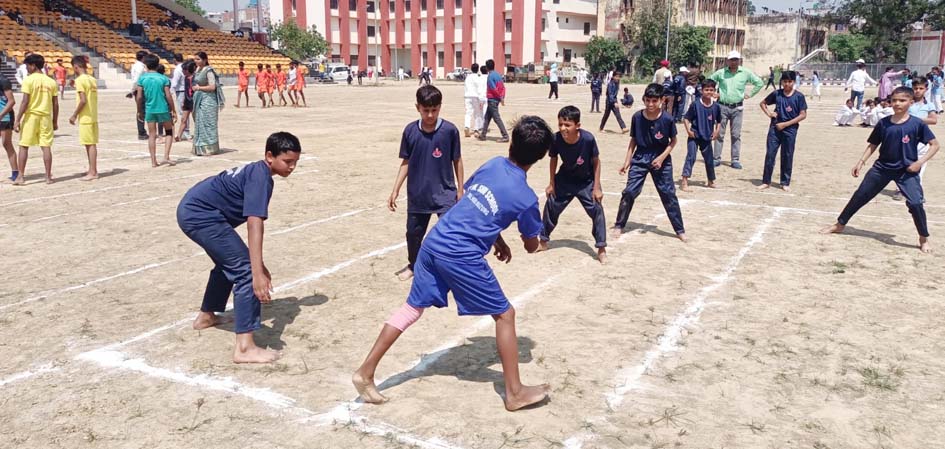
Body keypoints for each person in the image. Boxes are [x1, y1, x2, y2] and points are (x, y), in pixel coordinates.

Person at [352, 116, 554, 411]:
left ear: (511, 143)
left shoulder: (494, 164)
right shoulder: (526, 197)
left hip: (435, 241)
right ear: (541, 157)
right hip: (460, 254)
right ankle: (515, 393)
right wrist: (540, 241)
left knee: (412, 308)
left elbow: (474, 203)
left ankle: (365, 372)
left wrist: (496, 239)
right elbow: (531, 245)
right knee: (505, 315)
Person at [177, 132, 303, 363]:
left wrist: (259, 264)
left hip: (197, 211)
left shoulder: (260, 172)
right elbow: (254, 224)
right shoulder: (261, 178)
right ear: (269, 156)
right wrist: (256, 272)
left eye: (295, 161)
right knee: (245, 271)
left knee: (229, 263)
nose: (292, 167)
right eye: (287, 161)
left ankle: (206, 316)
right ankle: (244, 348)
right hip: (199, 215)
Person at [821, 87, 939, 253]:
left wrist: (920, 162)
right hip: (882, 168)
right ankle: (840, 224)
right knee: (860, 196)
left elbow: (935, 145)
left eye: (902, 100)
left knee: (916, 203)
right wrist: (861, 162)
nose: (897, 103)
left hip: (906, 171)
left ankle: (923, 237)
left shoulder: (917, 124)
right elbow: (873, 144)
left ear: (911, 102)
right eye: (894, 100)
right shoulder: (884, 123)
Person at [389, 85, 464, 281]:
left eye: (434, 110)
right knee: (413, 234)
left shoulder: (450, 131)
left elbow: (457, 160)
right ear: (418, 108)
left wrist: (460, 189)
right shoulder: (410, 131)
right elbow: (406, 162)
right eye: (426, 110)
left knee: (450, 233)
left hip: (445, 193)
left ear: (440, 107)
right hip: (418, 194)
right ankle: (414, 265)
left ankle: (450, 268)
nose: (430, 115)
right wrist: (395, 189)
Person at [613, 83, 685, 241]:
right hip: (640, 157)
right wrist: (627, 161)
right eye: (647, 100)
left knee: (668, 193)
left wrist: (661, 158)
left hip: (661, 158)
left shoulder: (667, 119)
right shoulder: (637, 117)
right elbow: (633, 140)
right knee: (629, 192)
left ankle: (679, 230)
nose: (650, 104)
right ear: (644, 99)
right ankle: (619, 225)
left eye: (654, 101)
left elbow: (673, 141)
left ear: (662, 100)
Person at [538, 105, 607, 263]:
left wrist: (596, 187)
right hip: (565, 179)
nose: (563, 128)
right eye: (560, 124)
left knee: (597, 209)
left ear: (577, 126)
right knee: (551, 205)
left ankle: (601, 248)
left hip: (586, 181)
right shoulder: (556, 139)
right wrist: (551, 183)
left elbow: (596, 162)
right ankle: (543, 241)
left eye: (567, 125)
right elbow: (553, 159)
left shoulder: (588, 139)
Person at [709, 51, 764, 169]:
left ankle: (735, 160)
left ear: (739, 60)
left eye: (736, 59)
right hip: (722, 106)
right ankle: (716, 158)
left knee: (736, 134)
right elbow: (709, 81)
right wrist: (713, 93)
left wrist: (750, 94)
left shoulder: (745, 73)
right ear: (727, 60)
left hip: (737, 108)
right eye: (731, 59)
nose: (734, 62)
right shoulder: (721, 73)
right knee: (719, 134)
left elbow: (759, 83)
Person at [12, 53, 58, 185]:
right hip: (46, 117)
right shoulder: (51, 81)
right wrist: (55, 121)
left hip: (31, 116)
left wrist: (17, 119)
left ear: (33, 66)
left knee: (24, 146)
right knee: (46, 146)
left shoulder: (29, 80)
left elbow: (25, 102)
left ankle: (21, 176)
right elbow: (55, 104)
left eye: (27, 66)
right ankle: (48, 177)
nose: (26, 68)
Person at [758, 70, 807, 192]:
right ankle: (766, 181)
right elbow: (763, 103)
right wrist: (769, 114)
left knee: (787, 155)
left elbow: (803, 115)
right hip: (775, 129)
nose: (787, 84)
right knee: (770, 154)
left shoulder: (799, 97)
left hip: (790, 130)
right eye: (785, 81)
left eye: (790, 81)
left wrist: (786, 124)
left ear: (794, 82)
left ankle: (785, 182)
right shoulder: (777, 94)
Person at [680, 79, 721, 192]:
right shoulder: (695, 104)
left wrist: (716, 131)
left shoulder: (716, 106)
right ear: (702, 90)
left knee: (709, 159)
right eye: (706, 90)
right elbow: (686, 118)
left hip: (707, 137)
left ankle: (711, 180)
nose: (709, 92)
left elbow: (719, 121)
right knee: (691, 157)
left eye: (711, 90)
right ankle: (684, 180)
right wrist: (689, 131)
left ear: (714, 91)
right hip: (694, 136)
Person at [136, 54, 176, 168]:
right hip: (163, 108)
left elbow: (139, 97)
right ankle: (166, 156)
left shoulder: (142, 79)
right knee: (169, 132)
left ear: (146, 65)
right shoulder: (163, 78)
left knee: (152, 135)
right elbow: (168, 96)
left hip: (150, 109)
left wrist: (139, 110)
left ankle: (153, 161)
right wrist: (173, 109)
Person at [68, 55, 98, 181]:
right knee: (90, 143)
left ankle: (93, 172)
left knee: (90, 145)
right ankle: (92, 169)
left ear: (76, 67)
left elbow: (83, 100)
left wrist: (74, 115)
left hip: (86, 116)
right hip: (93, 114)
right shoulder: (92, 79)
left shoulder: (80, 80)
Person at [907, 76, 938, 182]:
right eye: (915, 88)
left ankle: (917, 187)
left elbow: (933, 120)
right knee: (905, 161)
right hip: (907, 136)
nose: (918, 91)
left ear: (926, 89)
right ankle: (901, 187)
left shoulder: (929, 105)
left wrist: (915, 120)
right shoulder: (907, 103)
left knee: (921, 162)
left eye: (921, 88)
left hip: (922, 137)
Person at [192, 52, 223, 156]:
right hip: (200, 99)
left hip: (208, 100)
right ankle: (200, 147)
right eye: (195, 59)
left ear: (205, 60)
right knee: (200, 122)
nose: (196, 61)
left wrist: (199, 88)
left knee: (208, 123)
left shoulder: (209, 71)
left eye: (198, 59)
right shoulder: (197, 69)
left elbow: (212, 87)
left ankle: (210, 148)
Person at [479, 59, 509, 143]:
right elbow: (503, 87)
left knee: (496, 118)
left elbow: (493, 89)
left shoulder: (490, 76)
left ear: (487, 67)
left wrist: (500, 97)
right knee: (487, 117)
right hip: (495, 99)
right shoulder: (498, 75)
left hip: (492, 100)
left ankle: (505, 136)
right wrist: (502, 96)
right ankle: (483, 135)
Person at [127, 50, 149, 140]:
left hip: (140, 89)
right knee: (141, 110)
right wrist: (132, 90)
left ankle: (142, 131)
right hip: (141, 90)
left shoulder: (138, 65)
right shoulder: (140, 67)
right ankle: (141, 132)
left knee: (142, 110)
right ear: (143, 57)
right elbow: (136, 80)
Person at [170, 54, 191, 138]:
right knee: (186, 111)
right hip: (186, 90)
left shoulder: (178, 69)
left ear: (175, 60)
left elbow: (174, 82)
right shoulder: (185, 66)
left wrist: (170, 92)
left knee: (182, 112)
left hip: (181, 91)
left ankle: (185, 132)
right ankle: (186, 131)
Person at [176, 60, 196, 142]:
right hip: (187, 100)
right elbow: (186, 90)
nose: (183, 71)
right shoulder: (185, 78)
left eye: (185, 70)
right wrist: (184, 100)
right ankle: (179, 136)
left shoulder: (196, 78)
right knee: (183, 119)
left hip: (194, 101)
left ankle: (198, 135)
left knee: (196, 120)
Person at [0, 74, 15, 182]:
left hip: (5, 117)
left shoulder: (3, 80)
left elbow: (11, 101)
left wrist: (1, 115)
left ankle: (15, 172)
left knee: (7, 144)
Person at [463, 62, 483, 138]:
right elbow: (480, 89)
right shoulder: (478, 77)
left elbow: (465, 87)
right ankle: (476, 129)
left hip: (467, 96)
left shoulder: (468, 77)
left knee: (468, 113)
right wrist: (481, 99)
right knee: (477, 113)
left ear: (471, 69)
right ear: (478, 69)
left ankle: (467, 126)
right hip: (475, 96)